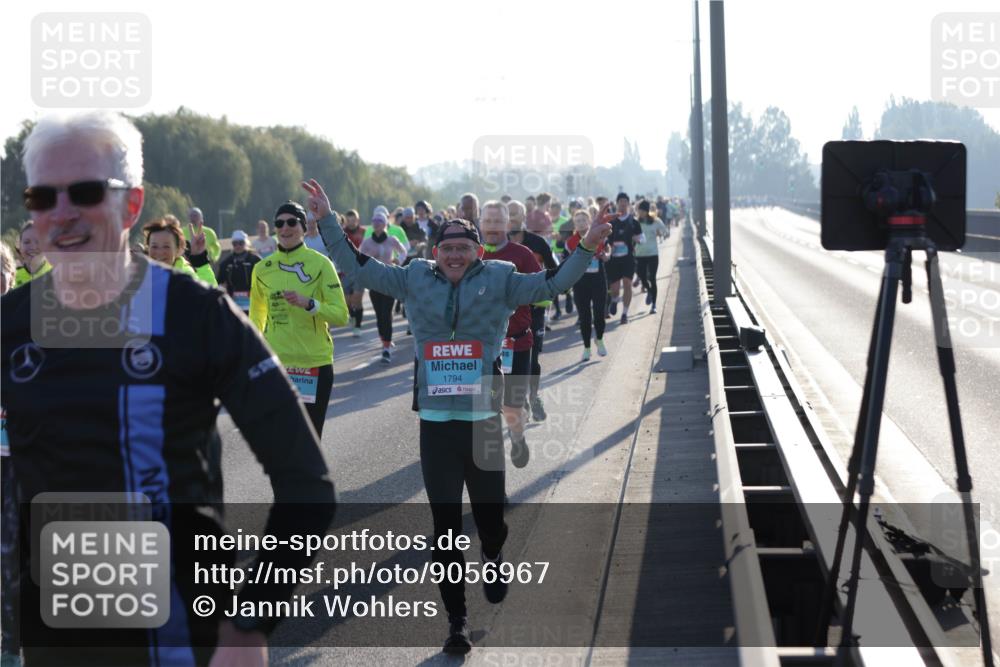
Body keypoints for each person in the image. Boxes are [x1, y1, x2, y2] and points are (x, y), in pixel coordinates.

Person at [2, 110, 336, 667]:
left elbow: (308, 485)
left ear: (131, 206)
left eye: (84, 192)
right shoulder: (11, 322)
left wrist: (250, 624)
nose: (61, 215)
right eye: (43, 197)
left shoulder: (196, 314)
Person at [309, 178, 611, 654]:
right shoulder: (413, 276)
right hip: (436, 425)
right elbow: (357, 267)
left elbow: (552, 284)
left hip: (484, 420)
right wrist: (326, 219)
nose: (454, 255)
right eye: (447, 247)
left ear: (476, 251)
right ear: (436, 250)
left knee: (491, 518)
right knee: (445, 527)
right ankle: (456, 620)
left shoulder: (502, 277)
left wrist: (587, 247)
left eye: (464, 247)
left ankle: (493, 552)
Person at [249, 201, 349, 436]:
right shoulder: (262, 268)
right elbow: (256, 319)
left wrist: (310, 304)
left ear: (304, 227)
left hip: (314, 365)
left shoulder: (321, 264)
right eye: (279, 223)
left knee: (309, 440)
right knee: (279, 439)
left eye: (292, 222)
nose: (285, 228)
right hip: (279, 366)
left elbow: (341, 314)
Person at [480, 201, 541, 468]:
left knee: (512, 409)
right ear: (480, 223)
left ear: (508, 224)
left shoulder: (523, 255)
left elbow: (542, 293)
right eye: (488, 220)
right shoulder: (471, 254)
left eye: (498, 221)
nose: (493, 226)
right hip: (480, 348)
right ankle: (494, 482)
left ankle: (517, 438)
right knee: (486, 414)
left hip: (517, 344)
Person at [358, 212, 407, 362]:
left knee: (386, 313)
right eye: (374, 221)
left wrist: (398, 261)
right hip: (374, 283)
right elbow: (359, 257)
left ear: (385, 223)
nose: (377, 223)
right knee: (380, 315)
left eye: (380, 221)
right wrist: (364, 270)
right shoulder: (367, 242)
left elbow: (403, 252)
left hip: (389, 280)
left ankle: (386, 348)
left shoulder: (392, 240)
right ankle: (384, 339)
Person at [567, 209, 610, 360]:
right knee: (584, 317)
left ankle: (599, 339)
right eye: (577, 221)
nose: (580, 223)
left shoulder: (598, 234)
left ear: (589, 221)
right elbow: (567, 261)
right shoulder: (570, 241)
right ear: (574, 224)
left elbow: (607, 248)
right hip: (580, 282)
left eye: (583, 220)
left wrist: (606, 255)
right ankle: (586, 348)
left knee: (599, 313)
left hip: (598, 279)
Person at [144, 215, 218, 286]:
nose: (160, 252)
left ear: (178, 250)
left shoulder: (186, 278)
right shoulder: (140, 277)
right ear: (148, 248)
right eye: (154, 246)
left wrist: (199, 259)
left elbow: (211, 296)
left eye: (166, 246)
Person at [606, 192, 643, 324]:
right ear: (617, 203)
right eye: (620, 201)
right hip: (614, 260)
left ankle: (625, 314)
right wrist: (609, 245)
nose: (622, 203)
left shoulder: (633, 222)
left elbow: (641, 238)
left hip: (628, 259)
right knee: (615, 289)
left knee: (627, 285)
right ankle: (615, 300)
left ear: (628, 203)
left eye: (625, 201)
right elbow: (604, 239)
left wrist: (636, 239)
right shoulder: (611, 221)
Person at [634, 200, 669, 314]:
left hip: (653, 254)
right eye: (640, 210)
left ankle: (653, 305)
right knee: (642, 277)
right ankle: (648, 290)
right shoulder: (635, 222)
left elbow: (666, 232)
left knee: (652, 278)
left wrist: (660, 233)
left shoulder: (655, 221)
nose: (641, 212)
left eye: (643, 210)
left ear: (647, 211)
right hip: (639, 254)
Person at [216, 229, 261, 312]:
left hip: (254, 302)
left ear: (246, 243)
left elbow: (264, 279)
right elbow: (219, 282)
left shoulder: (255, 260)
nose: (238, 246)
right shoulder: (226, 263)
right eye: (235, 243)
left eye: (241, 243)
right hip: (234, 304)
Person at [340, 209, 366, 336]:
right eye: (349, 220)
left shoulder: (364, 232)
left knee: (357, 299)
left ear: (358, 220)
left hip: (360, 271)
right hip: (344, 272)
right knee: (347, 301)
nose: (351, 222)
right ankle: (352, 315)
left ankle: (358, 327)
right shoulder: (341, 232)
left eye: (353, 220)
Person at [12, 221, 52, 288]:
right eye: (27, 242)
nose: (33, 247)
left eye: (38, 241)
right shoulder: (12, 276)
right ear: (20, 246)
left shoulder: (55, 272)